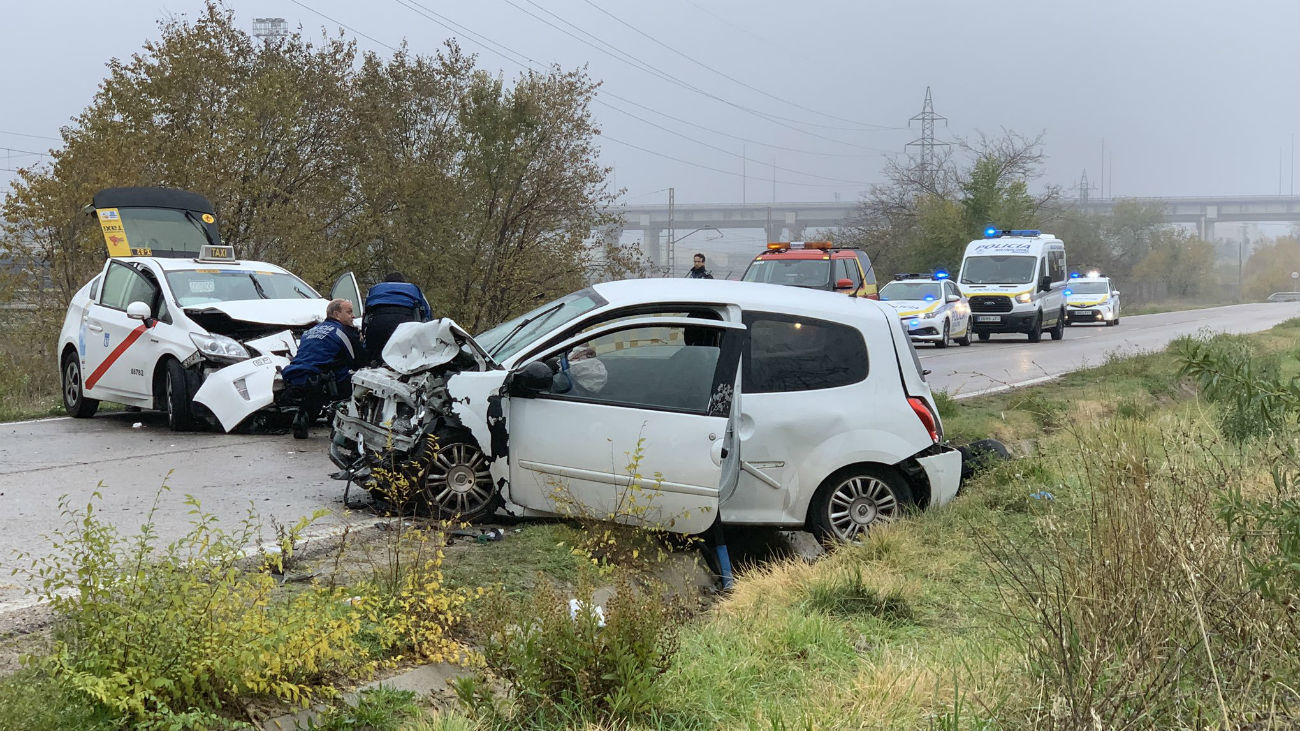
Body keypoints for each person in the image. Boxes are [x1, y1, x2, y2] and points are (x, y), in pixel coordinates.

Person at [280, 298, 365, 439]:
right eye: (349, 312)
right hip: (325, 380)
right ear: (337, 314)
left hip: (296, 376)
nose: (353, 316)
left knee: (317, 383)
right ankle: (338, 419)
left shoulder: (310, 331)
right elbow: (358, 361)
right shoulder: (342, 332)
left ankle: (303, 416)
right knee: (357, 380)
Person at [363, 272, 433, 366]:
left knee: (375, 358)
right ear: (403, 282)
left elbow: (365, 316)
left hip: (378, 323)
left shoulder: (374, 289)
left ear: (385, 282)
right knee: (407, 361)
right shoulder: (414, 289)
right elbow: (427, 314)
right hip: (405, 324)